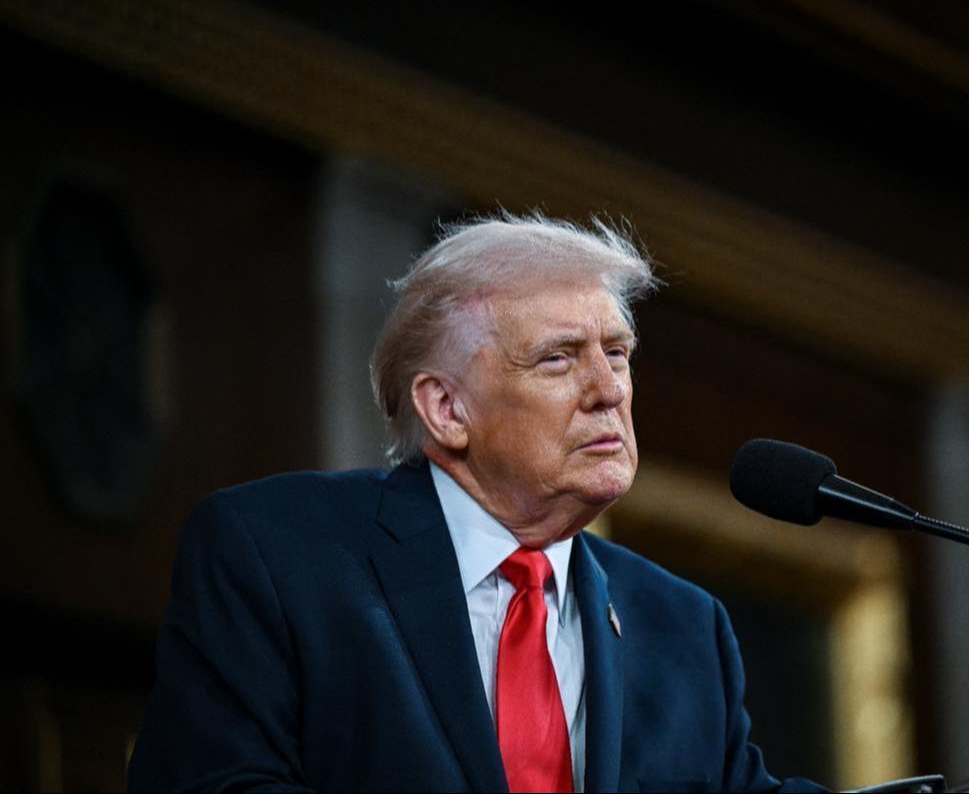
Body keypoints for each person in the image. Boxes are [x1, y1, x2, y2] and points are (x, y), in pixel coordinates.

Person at [127, 213, 820, 792]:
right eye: (558, 357)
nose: (609, 389)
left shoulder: (682, 628)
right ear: (446, 407)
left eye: (617, 352)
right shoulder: (276, 557)